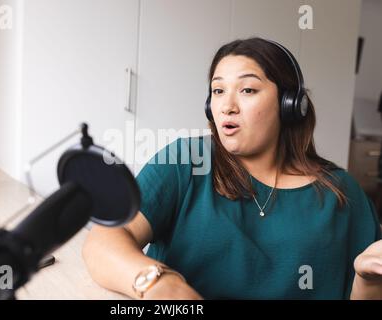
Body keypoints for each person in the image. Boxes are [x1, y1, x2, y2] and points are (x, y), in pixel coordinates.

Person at [82, 38, 382, 299]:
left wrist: (367, 281)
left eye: (248, 90)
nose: (227, 106)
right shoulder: (186, 160)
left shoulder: (341, 191)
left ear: (290, 105)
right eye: (218, 91)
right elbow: (104, 239)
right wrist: (160, 284)